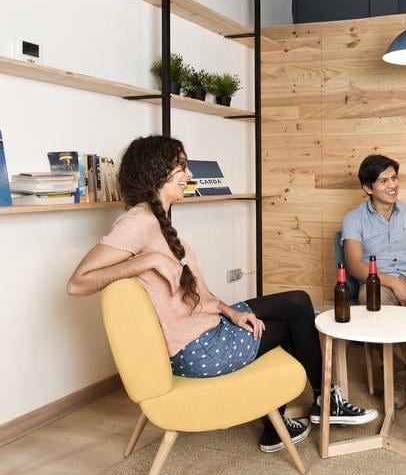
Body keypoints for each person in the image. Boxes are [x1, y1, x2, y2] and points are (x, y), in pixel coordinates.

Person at [67, 135, 377, 455]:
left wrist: (231, 312)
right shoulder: (138, 222)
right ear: (157, 171)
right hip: (201, 350)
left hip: (207, 327)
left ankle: (296, 414)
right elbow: (77, 283)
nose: (189, 175)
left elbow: (195, 291)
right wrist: (146, 261)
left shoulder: (157, 221)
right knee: (290, 324)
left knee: (297, 302)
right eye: (182, 166)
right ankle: (317, 405)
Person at [341, 154, 406, 408]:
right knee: (373, 303)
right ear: (368, 188)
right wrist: (393, 283)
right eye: (383, 181)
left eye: (395, 177)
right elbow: (355, 265)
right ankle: (403, 377)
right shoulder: (354, 219)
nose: (392, 185)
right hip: (379, 285)